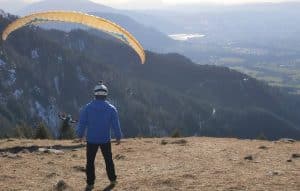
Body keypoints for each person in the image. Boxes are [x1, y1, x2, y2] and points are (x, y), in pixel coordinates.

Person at [76, 81, 122, 191]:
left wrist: (80, 135)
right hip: (105, 139)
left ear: (95, 94)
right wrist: (118, 137)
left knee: (90, 161)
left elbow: (82, 123)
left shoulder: (87, 108)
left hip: (91, 140)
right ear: (106, 94)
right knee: (108, 160)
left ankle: (90, 183)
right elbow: (116, 124)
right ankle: (112, 180)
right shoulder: (111, 109)